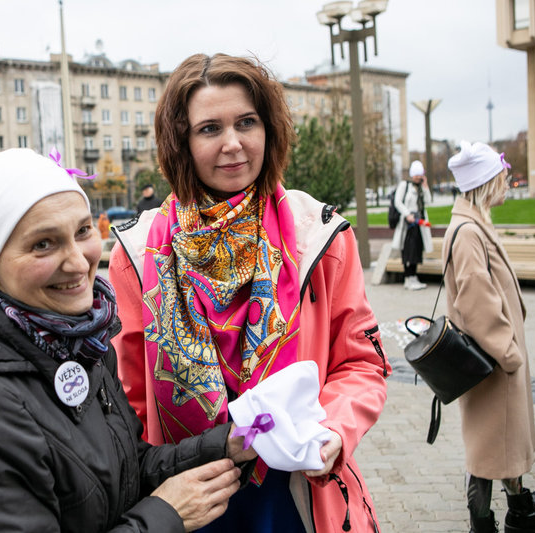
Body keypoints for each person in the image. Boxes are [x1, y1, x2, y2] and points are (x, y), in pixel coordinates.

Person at [0, 148, 256, 532]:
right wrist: (165, 517)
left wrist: (227, 443)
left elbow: (125, 469)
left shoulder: (81, 342)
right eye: (43, 244)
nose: (78, 262)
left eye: (83, 231)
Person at [108, 53, 390, 532]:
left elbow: (361, 362)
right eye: (210, 129)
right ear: (181, 141)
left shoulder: (318, 236)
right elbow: (128, 399)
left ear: (269, 129)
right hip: (187, 497)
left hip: (299, 492)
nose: (233, 144)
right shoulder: (137, 254)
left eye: (247, 122)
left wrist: (334, 431)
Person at [445, 141, 535, 533]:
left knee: (494, 447)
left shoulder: (473, 224)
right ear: (485, 182)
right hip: (494, 363)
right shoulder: (469, 231)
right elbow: (478, 301)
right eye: (501, 178)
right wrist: (510, 354)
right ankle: (485, 521)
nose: (506, 184)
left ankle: (517, 507)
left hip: (493, 361)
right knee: (488, 450)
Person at [391, 160, 433, 290]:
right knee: (408, 250)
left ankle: (414, 276)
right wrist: (407, 214)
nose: (418, 177)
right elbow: (398, 202)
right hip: (408, 224)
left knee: (417, 250)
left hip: (419, 223)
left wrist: (425, 187)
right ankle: (408, 277)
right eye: (416, 174)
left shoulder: (421, 188)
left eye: (420, 174)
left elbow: (428, 201)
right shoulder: (405, 185)